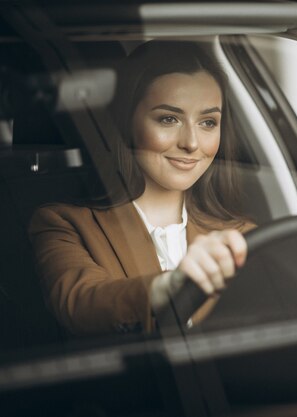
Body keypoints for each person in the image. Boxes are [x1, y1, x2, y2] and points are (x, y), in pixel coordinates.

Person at [28, 41, 254, 336]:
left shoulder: (243, 236)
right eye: (169, 119)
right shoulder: (63, 223)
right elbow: (81, 304)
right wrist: (171, 288)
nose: (192, 143)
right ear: (127, 123)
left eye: (208, 122)